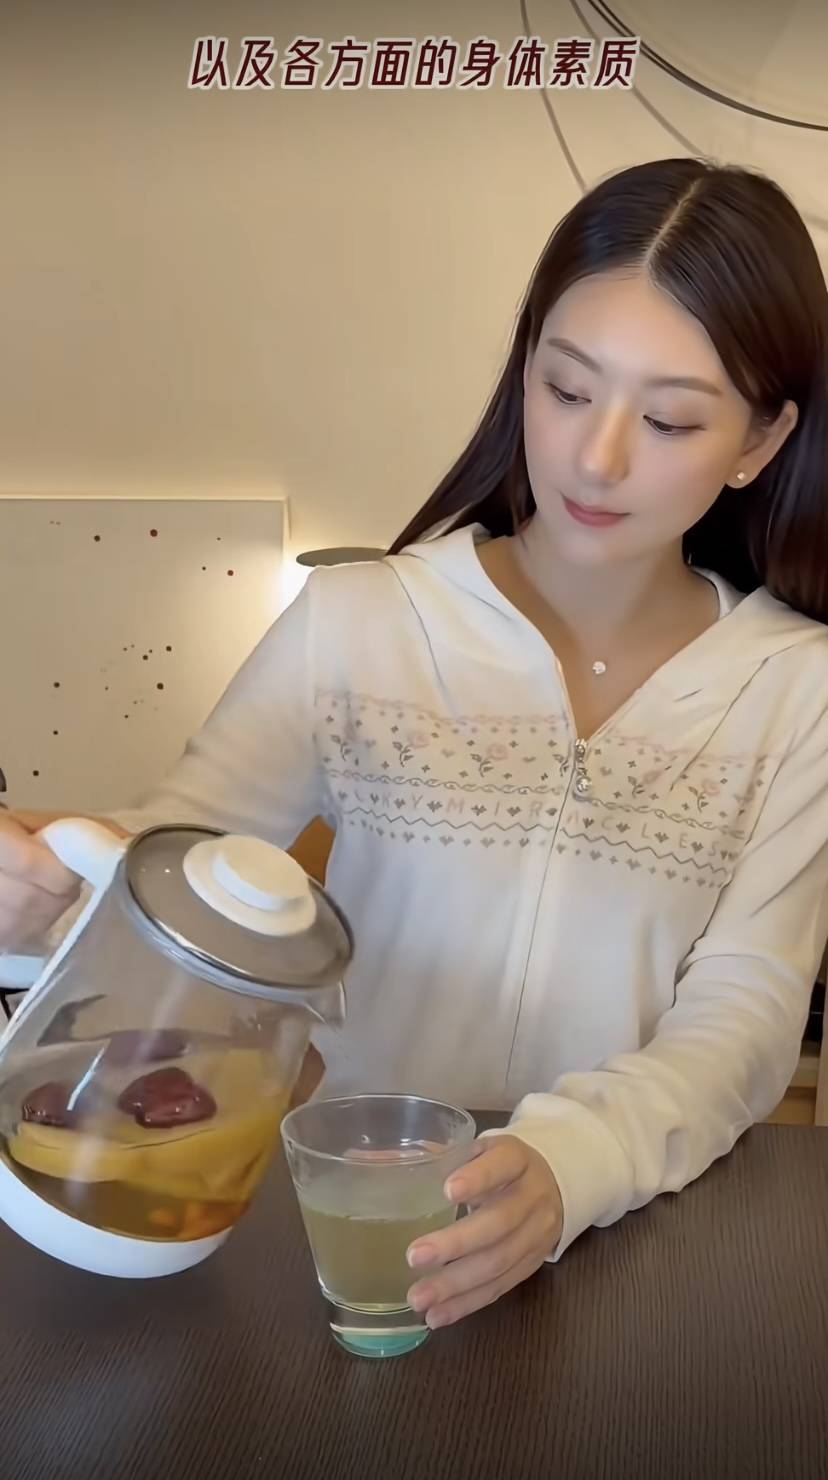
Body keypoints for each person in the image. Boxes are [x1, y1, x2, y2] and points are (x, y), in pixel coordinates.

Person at [3, 156, 828, 1332]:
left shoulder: (797, 690)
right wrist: (45, 894)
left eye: (669, 420)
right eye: (567, 387)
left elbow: (746, 1012)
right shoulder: (361, 624)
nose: (596, 459)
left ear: (760, 437)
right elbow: (178, 864)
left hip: (628, 1237)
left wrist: (574, 1163)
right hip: (351, 1217)